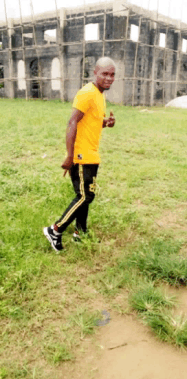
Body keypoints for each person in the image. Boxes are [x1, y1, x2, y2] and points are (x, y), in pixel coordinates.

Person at [43, 56, 116, 252]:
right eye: (105, 74)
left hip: (92, 153)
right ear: (95, 73)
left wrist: (105, 123)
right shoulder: (87, 93)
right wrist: (70, 155)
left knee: (86, 193)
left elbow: (90, 122)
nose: (109, 78)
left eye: (112, 74)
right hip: (81, 155)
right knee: (85, 196)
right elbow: (72, 122)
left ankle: (80, 232)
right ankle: (55, 230)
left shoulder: (100, 94)